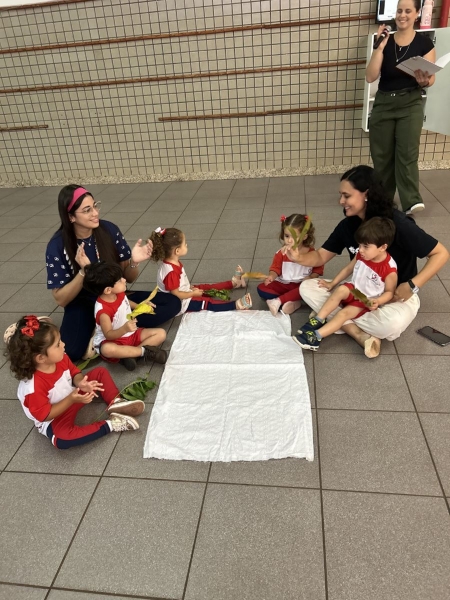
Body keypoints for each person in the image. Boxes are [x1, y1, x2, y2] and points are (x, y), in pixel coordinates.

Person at [286, 165, 449, 358]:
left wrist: (413, 285)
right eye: (341, 195)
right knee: (307, 287)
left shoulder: (396, 224)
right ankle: (358, 334)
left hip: (395, 297)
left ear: (367, 194)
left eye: (346, 196)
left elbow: (440, 253)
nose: (340, 201)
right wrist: (299, 257)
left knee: (391, 324)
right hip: (359, 292)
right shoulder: (348, 225)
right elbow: (321, 256)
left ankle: (335, 318)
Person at [45, 185, 181, 362]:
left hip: (116, 298)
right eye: (87, 210)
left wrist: (134, 262)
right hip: (83, 303)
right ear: (71, 217)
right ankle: (107, 333)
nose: (95, 213)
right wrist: (84, 271)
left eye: (95, 206)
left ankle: (114, 341)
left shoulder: (109, 230)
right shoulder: (57, 246)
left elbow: (128, 278)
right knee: (71, 351)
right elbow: (61, 299)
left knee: (172, 303)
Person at [4, 315, 145, 450]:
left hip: (74, 395)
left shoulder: (60, 357)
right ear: (41, 358)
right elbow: (46, 415)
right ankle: (112, 424)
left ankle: (116, 403)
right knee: (62, 439)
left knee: (100, 373)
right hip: (55, 417)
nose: (63, 344)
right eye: (58, 344)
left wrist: (81, 383)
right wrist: (71, 399)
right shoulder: (32, 388)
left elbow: (74, 372)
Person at [366, 0, 435, 214]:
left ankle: (411, 200)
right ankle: (383, 200)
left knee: (407, 153)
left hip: (410, 102)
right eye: (399, 11)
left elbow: (431, 79)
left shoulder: (424, 43)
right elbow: (370, 77)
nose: (402, 15)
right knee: (382, 156)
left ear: (417, 14)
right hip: (384, 102)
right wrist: (379, 47)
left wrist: (425, 81)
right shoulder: (386, 41)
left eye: (407, 11)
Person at [293, 217, 397, 351]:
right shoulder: (362, 255)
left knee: (343, 314)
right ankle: (318, 320)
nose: (360, 250)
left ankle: (316, 337)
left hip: (365, 299)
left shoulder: (389, 269)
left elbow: (390, 292)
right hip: (354, 289)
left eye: (365, 246)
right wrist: (332, 284)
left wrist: (378, 301)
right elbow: (348, 269)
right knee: (341, 289)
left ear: (382, 247)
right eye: (359, 245)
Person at [83, 262, 167, 372]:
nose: (124, 280)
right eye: (119, 280)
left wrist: (140, 306)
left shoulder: (119, 293)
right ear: (108, 290)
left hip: (132, 334)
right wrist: (125, 329)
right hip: (115, 341)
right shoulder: (103, 311)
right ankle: (143, 352)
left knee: (161, 333)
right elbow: (108, 335)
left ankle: (131, 355)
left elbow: (126, 302)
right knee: (107, 349)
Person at [149, 227, 252, 313]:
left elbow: (177, 285)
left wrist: (189, 288)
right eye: (185, 244)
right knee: (207, 303)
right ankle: (236, 305)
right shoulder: (171, 272)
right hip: (181, 303)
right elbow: (176, 295)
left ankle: (234, 283)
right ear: (177, 251)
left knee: (207, 288)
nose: (186, 245)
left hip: (185, 292)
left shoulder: (172, 263)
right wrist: (192, 294)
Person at [256, 213, 324, 315]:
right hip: (283, 284)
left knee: (315, 288)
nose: (289, 240)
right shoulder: (281, 253)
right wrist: (271, 276)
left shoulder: (312, 253)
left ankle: (279, 301)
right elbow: (275, 268)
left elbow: (318, 269)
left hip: (302, 284)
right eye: (287, 236)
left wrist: (311, 277)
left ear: (304, 236)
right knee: (261, 288)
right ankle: (292, 300)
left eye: (295, 237)